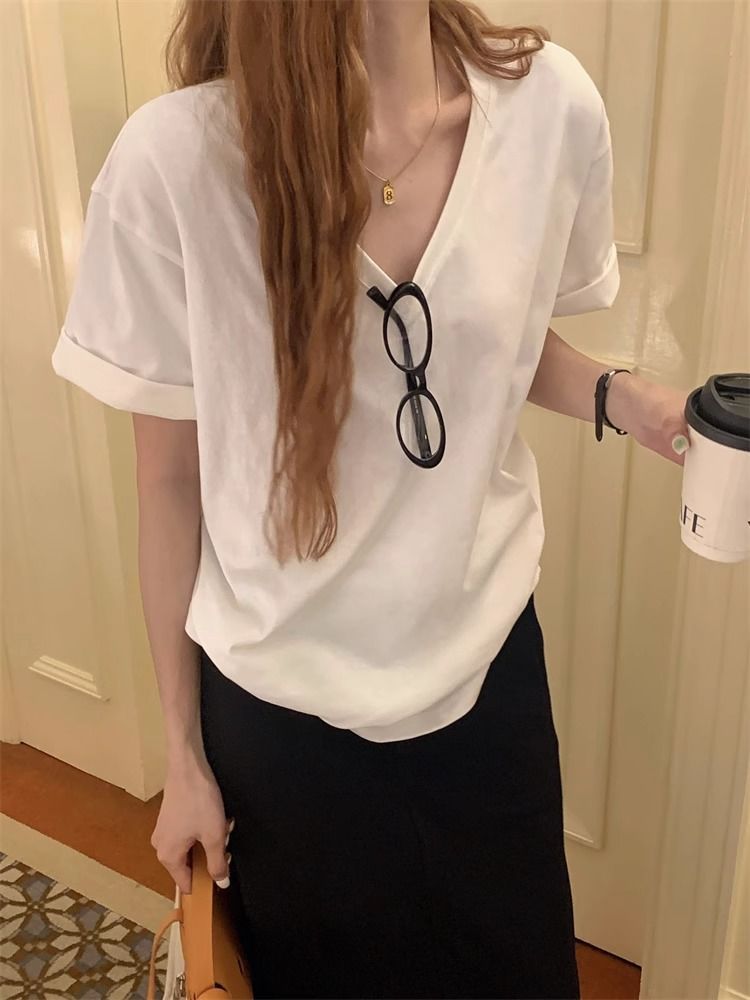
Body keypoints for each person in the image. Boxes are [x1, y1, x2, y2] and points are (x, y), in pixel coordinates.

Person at [51, 1, 690, 997]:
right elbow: (168, 481)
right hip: (283, 726)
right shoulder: (175, 166)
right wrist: (181, 756)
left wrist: (626, 397)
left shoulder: (548, 110)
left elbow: (495, 339)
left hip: (486, 684)